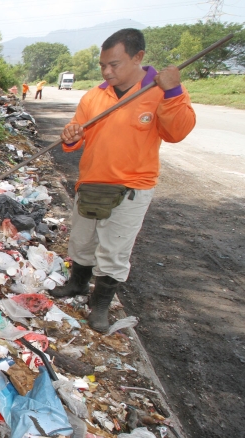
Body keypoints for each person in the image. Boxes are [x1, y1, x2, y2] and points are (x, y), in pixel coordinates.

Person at [51, 28, 195, 332]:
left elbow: (177, 132)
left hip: (131, 188)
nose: (106, 71)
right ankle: (77, 284)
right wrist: (70, 136)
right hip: (90, 183)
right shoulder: (94, 96)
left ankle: (100, 305)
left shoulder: (159, 91)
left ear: (138, 57)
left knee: (114, 250)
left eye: (114, 64)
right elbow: (75, 139)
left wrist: (173, 92)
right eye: (103, 64)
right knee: (81, 241)